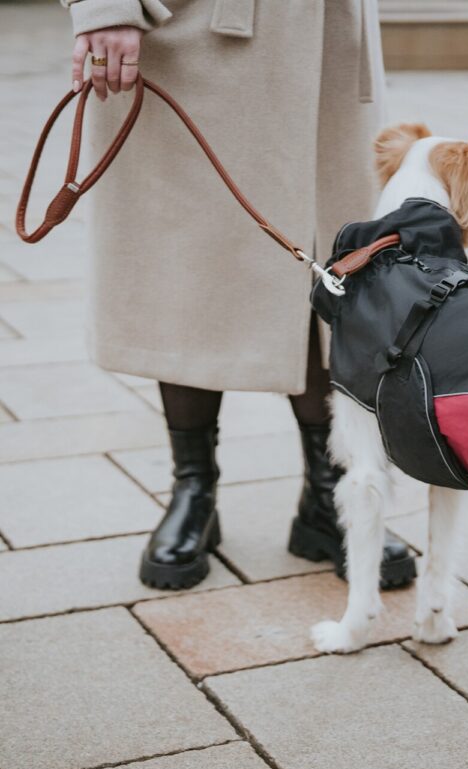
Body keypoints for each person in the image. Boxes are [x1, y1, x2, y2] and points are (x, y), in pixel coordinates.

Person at [62, 0, 416, 590]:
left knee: (326, 264)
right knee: (188, 260)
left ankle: (328, 497)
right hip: (190, 28)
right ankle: (193, 488)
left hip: (328, 34)